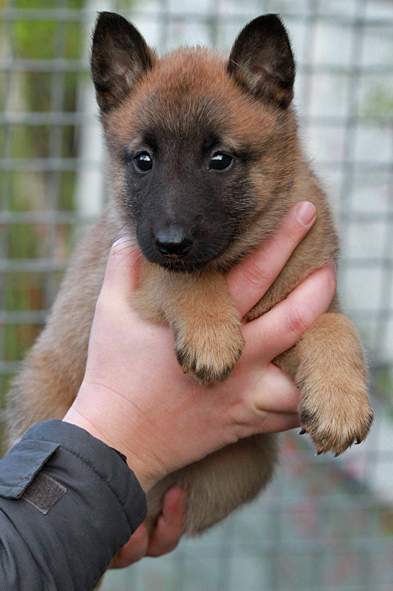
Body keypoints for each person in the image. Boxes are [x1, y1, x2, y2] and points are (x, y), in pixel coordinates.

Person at [0, 202, 336, 590]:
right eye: (143, 160)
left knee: (255, 463)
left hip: (101, 510)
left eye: (221, 159)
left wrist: (79, 537)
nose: (172, 227)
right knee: (41, 389)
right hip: (71, 460)